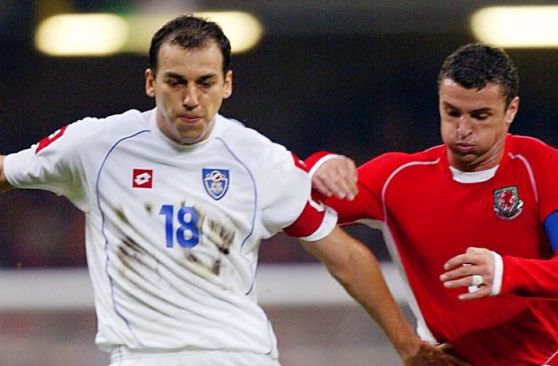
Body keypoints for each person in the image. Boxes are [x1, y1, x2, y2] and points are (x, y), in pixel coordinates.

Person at [0, 15, 463, 366]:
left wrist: (406, 342)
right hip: (143, 356)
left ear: (227, 84)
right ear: (150, 83)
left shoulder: (256, 158)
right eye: (175, 82)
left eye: (204, 83)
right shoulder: (97, 146)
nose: (189, 99)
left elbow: (344, 255)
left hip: (238, 354)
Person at [311, 44, 558, 365]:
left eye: (480, 116)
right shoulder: (397, 179)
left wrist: (505, 272)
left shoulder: (544, 167)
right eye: (452, 113)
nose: (463, 130)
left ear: (511, 111)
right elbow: (296, 203)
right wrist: (321, 164)